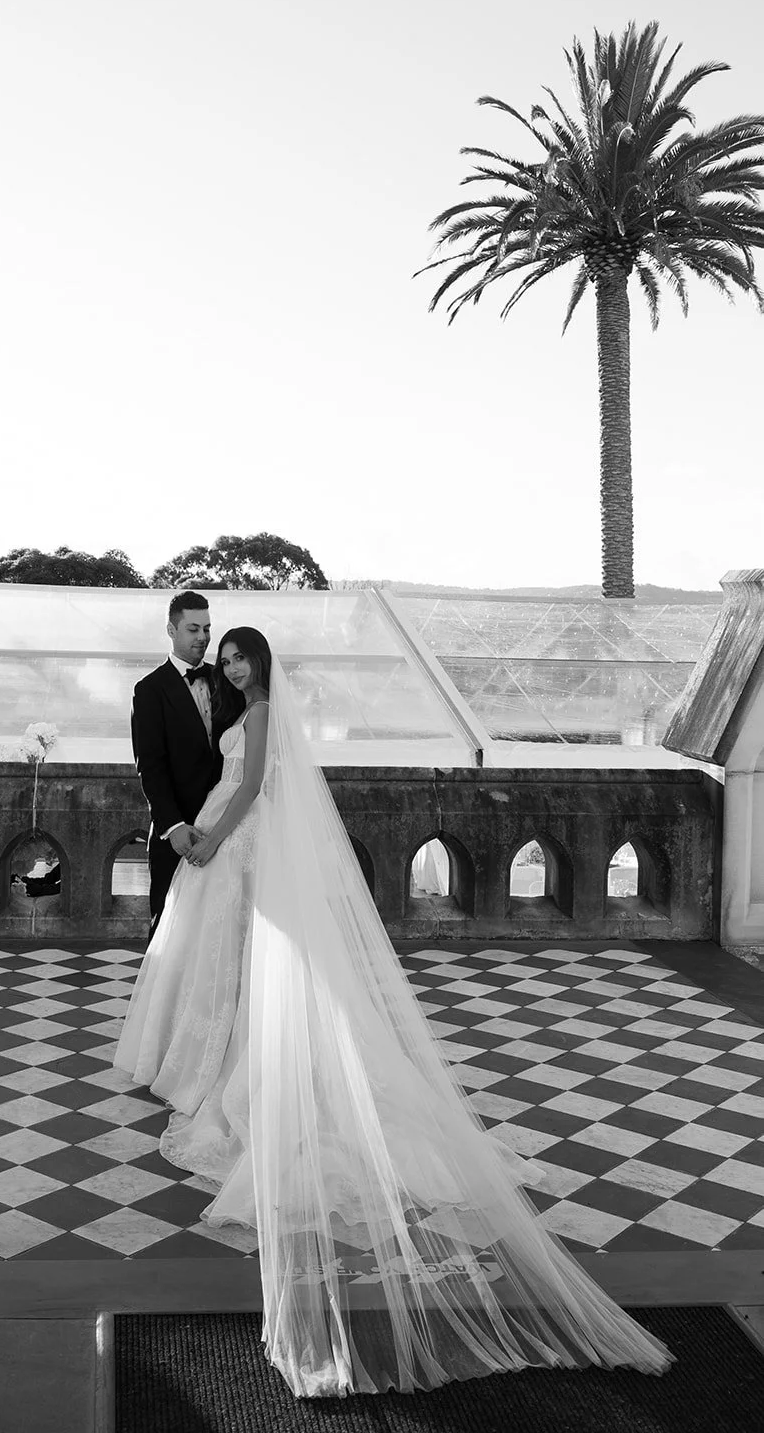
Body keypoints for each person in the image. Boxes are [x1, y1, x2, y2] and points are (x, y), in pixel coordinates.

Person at [116, 627, 674, 1400]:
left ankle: (244, 1066)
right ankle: (210, 1054)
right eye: (229, 654)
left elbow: (252, 786)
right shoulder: (242, 707)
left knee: (243, 961)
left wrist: (211, 837)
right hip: (229, 836)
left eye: (243, 654)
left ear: (262, 663)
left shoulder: (266, 710)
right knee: (221, 960)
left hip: (237, 834)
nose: (234, 663)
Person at [130, 591, 224, 939]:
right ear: (171, 630)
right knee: (169, 932)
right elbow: (150, 766)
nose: (202, 637)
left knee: (221, 932)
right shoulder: (149, 690)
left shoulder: (226, 680)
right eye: (193, 629)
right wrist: (173, 826)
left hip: (225, 827)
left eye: (208, 629)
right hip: (177, 834)